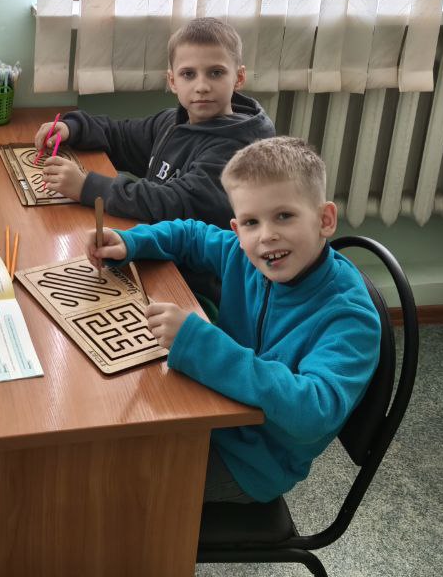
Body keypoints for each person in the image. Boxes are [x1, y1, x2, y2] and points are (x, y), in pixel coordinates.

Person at [84, 136, 380, 503]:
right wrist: (132, 242)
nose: (267, 236)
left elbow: (313, 412)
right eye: (251, 222)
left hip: (252, 463)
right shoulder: (247, 256)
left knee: (110, 485)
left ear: (325, 219)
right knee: (101, 437)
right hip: (209, 411)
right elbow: (191, 235)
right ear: (237, 231)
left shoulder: (350, 316)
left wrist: (201, 344)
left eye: (284, 216)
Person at [33, 17, 274, 229]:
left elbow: (174, 204)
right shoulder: (172, 121)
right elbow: (120, 136)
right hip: (158, 241)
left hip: (192, 265)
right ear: (173, 81)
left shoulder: (238, 151)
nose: (202, 86)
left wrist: (87, 187)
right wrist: (73, 128)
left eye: (216, 73)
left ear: (239, 77)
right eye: (188, 74)